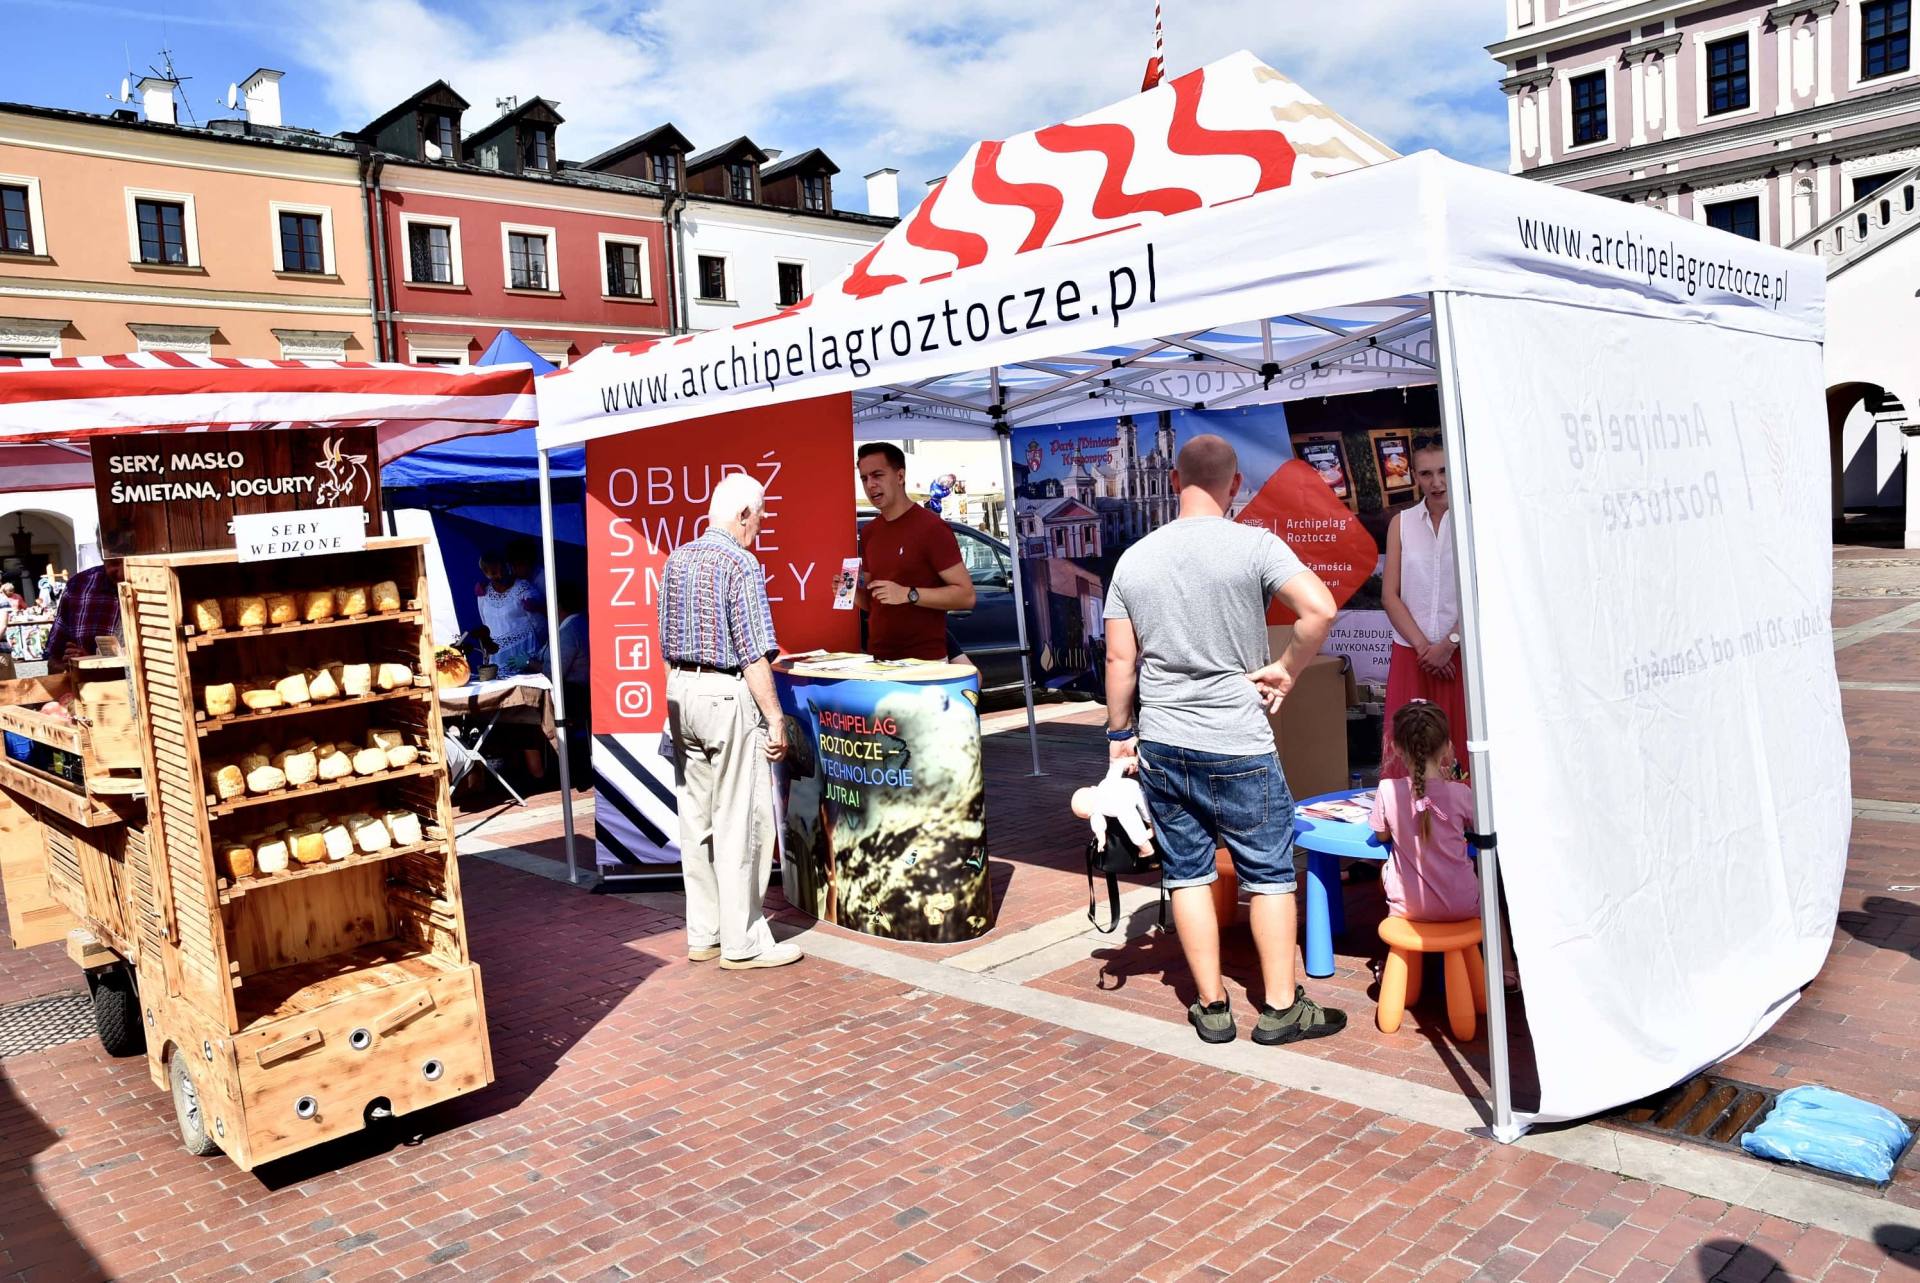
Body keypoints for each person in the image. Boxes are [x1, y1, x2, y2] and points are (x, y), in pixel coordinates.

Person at [1104, 434, 1347, 1046]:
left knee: (1186, 873)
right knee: (1268, 874)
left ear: (1171, 482)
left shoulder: (1134, 558)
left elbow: (1118, 659)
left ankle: (1211, 1008)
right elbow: (1318, 609)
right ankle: (1281, 1007)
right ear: (1234, 484)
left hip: (1162, 739)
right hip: (1238, 738)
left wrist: (1119, 736)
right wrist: (1287, 668)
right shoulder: (1255, 545)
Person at [660, 471, 800, 970]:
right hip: (724, 695)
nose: (759, 529)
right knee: (741, 819)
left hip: (680, 691)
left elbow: (666, 637)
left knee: (695, 821)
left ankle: (705, 933)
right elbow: (752, 655)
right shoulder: (740, 562)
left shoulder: (678, 558)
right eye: (760, 519)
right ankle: (742, 942)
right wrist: (776, 718)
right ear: (744, 514)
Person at [1380, 436, 1468, 776]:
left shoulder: (1474, 519)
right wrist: (1424, 648)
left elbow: (1483, 592)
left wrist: (1450, 644)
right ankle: (1403, 823)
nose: (1437, 482)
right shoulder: (1401, 523)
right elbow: (1390, 595)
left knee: (1460, 752)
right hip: (1412, 656)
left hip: (1459, 658)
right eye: (1426, 473)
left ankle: (1462, 828)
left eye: (1444, 471)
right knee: (1407, 752)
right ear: (1414, 476)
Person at [855, 443, 975, 660]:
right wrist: (851, 594)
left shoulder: (931, 528)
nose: (870, 485)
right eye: (864, 478)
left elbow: (966, 596)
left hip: (926, 664)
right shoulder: (870, 532)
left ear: (900, 476)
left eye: (877, 475)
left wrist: (908, 594)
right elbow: (875, 602)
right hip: (880, 661)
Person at [1369, 702, 1478, 922]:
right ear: (1447, 746)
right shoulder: (1460, 793)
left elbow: (1381, 836)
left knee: (1385, 866)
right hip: (1463, 905)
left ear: (1397, 747)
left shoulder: (1387, 789)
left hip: (1407, 909)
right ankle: (1502, 957)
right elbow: (1479, 828)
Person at [45, 561, 122, 673]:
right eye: (114, 562)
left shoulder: (154, 583)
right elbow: (55, 661)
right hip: (93, 687)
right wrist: (83, 663)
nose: (121, 572)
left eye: (126, 561)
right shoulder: (79, 586)